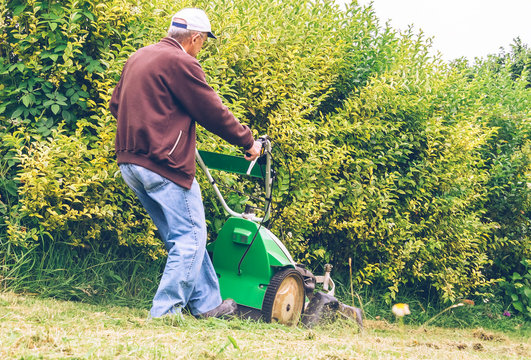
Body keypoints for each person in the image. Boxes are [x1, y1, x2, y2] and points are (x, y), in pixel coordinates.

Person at [109, 8, 261, 319]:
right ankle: (165, 312)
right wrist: (248, 142)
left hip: (130, 162)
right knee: (190, 239)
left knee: (184, 237)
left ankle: (207, 306)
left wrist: (154, 128)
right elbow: (212, 111)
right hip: (163, 164)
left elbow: (116, 105)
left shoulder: (139, 57)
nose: (201, 47)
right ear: (194, 38)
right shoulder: (181, 62)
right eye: (203, 41)